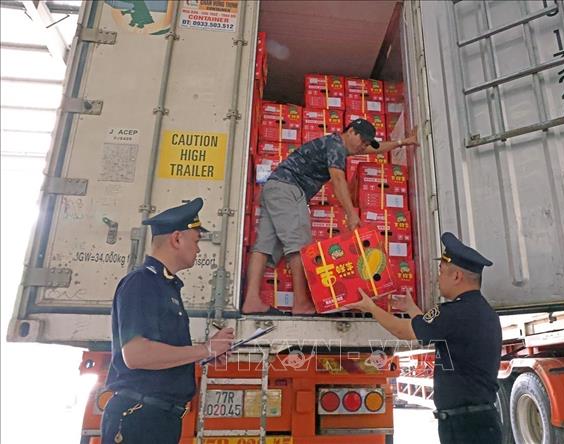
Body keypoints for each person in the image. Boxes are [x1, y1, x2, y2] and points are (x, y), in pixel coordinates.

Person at [242, 118, 418, 315]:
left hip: (275, 187)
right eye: (363, 141)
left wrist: (403, 142)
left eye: (367, 143)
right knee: (300, 246)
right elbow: (337, 179)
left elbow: (373, 150)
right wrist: (352, 214)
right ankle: (301, 303)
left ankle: (251, 301)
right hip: (289, 190)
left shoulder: (339, 145)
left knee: (264, 246)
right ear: (351, 132)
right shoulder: (336, 145)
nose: (364, 147)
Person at [101, 198, 235, 444]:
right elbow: (136, 355)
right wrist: (204, 349)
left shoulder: (166, 287)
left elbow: (162, 353)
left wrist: (204, 354)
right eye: (195, 241)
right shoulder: (142, 282)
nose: (199, 249)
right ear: (176, 239)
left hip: (158, 418)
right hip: (140, 419)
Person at [348, 232, 502, 444]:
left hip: (466, 426)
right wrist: (412, 309)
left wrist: (371, 308)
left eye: (441, 272)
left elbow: (404, 331)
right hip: (478, 421)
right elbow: (428, 329)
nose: (437, 278)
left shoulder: (455, 313)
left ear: (456, 276)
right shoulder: (481, 311)